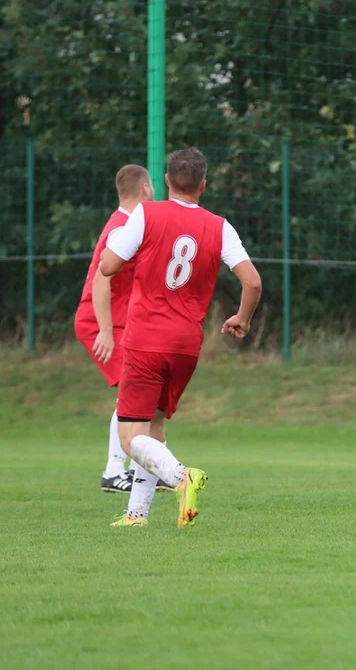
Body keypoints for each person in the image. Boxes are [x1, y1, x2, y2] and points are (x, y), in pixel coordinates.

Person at [96, 147, 262, 527]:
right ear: (203, 185)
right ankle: (137, 514)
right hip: (186, 343)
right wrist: (242, 318)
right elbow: (252, 281)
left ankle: (180, 477)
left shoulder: (145, 214)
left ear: (168, 180)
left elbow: (107, 266)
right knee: (153, 427)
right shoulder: (220, 226)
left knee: (128, 438)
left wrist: (120, 242)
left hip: (145, 339)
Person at [74, 165, 154, 492]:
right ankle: (114, 471)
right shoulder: (121, 228)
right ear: (146, 189)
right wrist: (104, 330)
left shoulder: (128, 222)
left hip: (118, 321)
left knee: (138, 394)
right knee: (132, 394)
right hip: (100, 320)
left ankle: (136, 471)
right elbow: (101, 281)